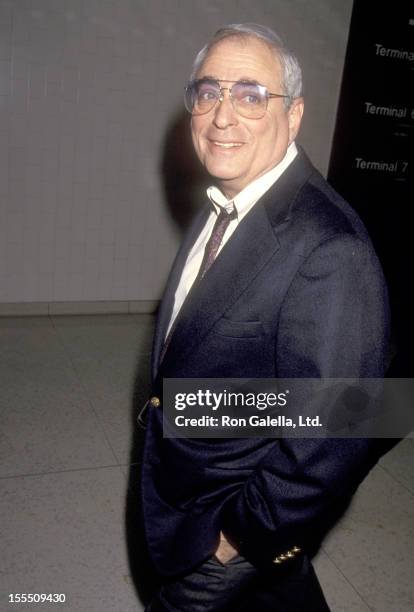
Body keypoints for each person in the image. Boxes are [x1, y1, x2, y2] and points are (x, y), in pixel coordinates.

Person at [139, 23, 389, 611]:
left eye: (251, 95)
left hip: (226, 523)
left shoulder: (332, 250)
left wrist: (238, 539)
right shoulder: (230, 198)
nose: (222, 117)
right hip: (194, 481)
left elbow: (345, 423)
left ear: (294, 115)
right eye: (209, 92)